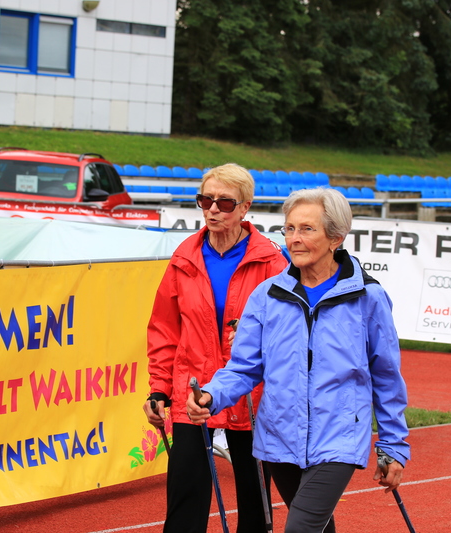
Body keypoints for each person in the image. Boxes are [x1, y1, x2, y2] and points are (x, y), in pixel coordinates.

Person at [187, 187, 410, 533]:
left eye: (307, 229)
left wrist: (393, 444)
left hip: (338, 437)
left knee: (301, 528)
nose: (295, 239)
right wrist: (211, 395)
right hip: (279, 437)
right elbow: (244, 367)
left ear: (336, 237)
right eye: (289, 229)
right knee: (316, 526)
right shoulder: (267, 295)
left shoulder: (368, 297)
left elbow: (386, 376)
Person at [143, 163, 288, 532]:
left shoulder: (272, 261)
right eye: (205, 200)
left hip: (250, 391)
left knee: (254, 501)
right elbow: (164, 330)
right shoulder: (184, 257)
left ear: (245, 207)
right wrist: (159, 389)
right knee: (185, 496)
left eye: (224, 203)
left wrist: (262, 344)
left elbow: (289, 332)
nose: (212, 209)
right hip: (192, 391)